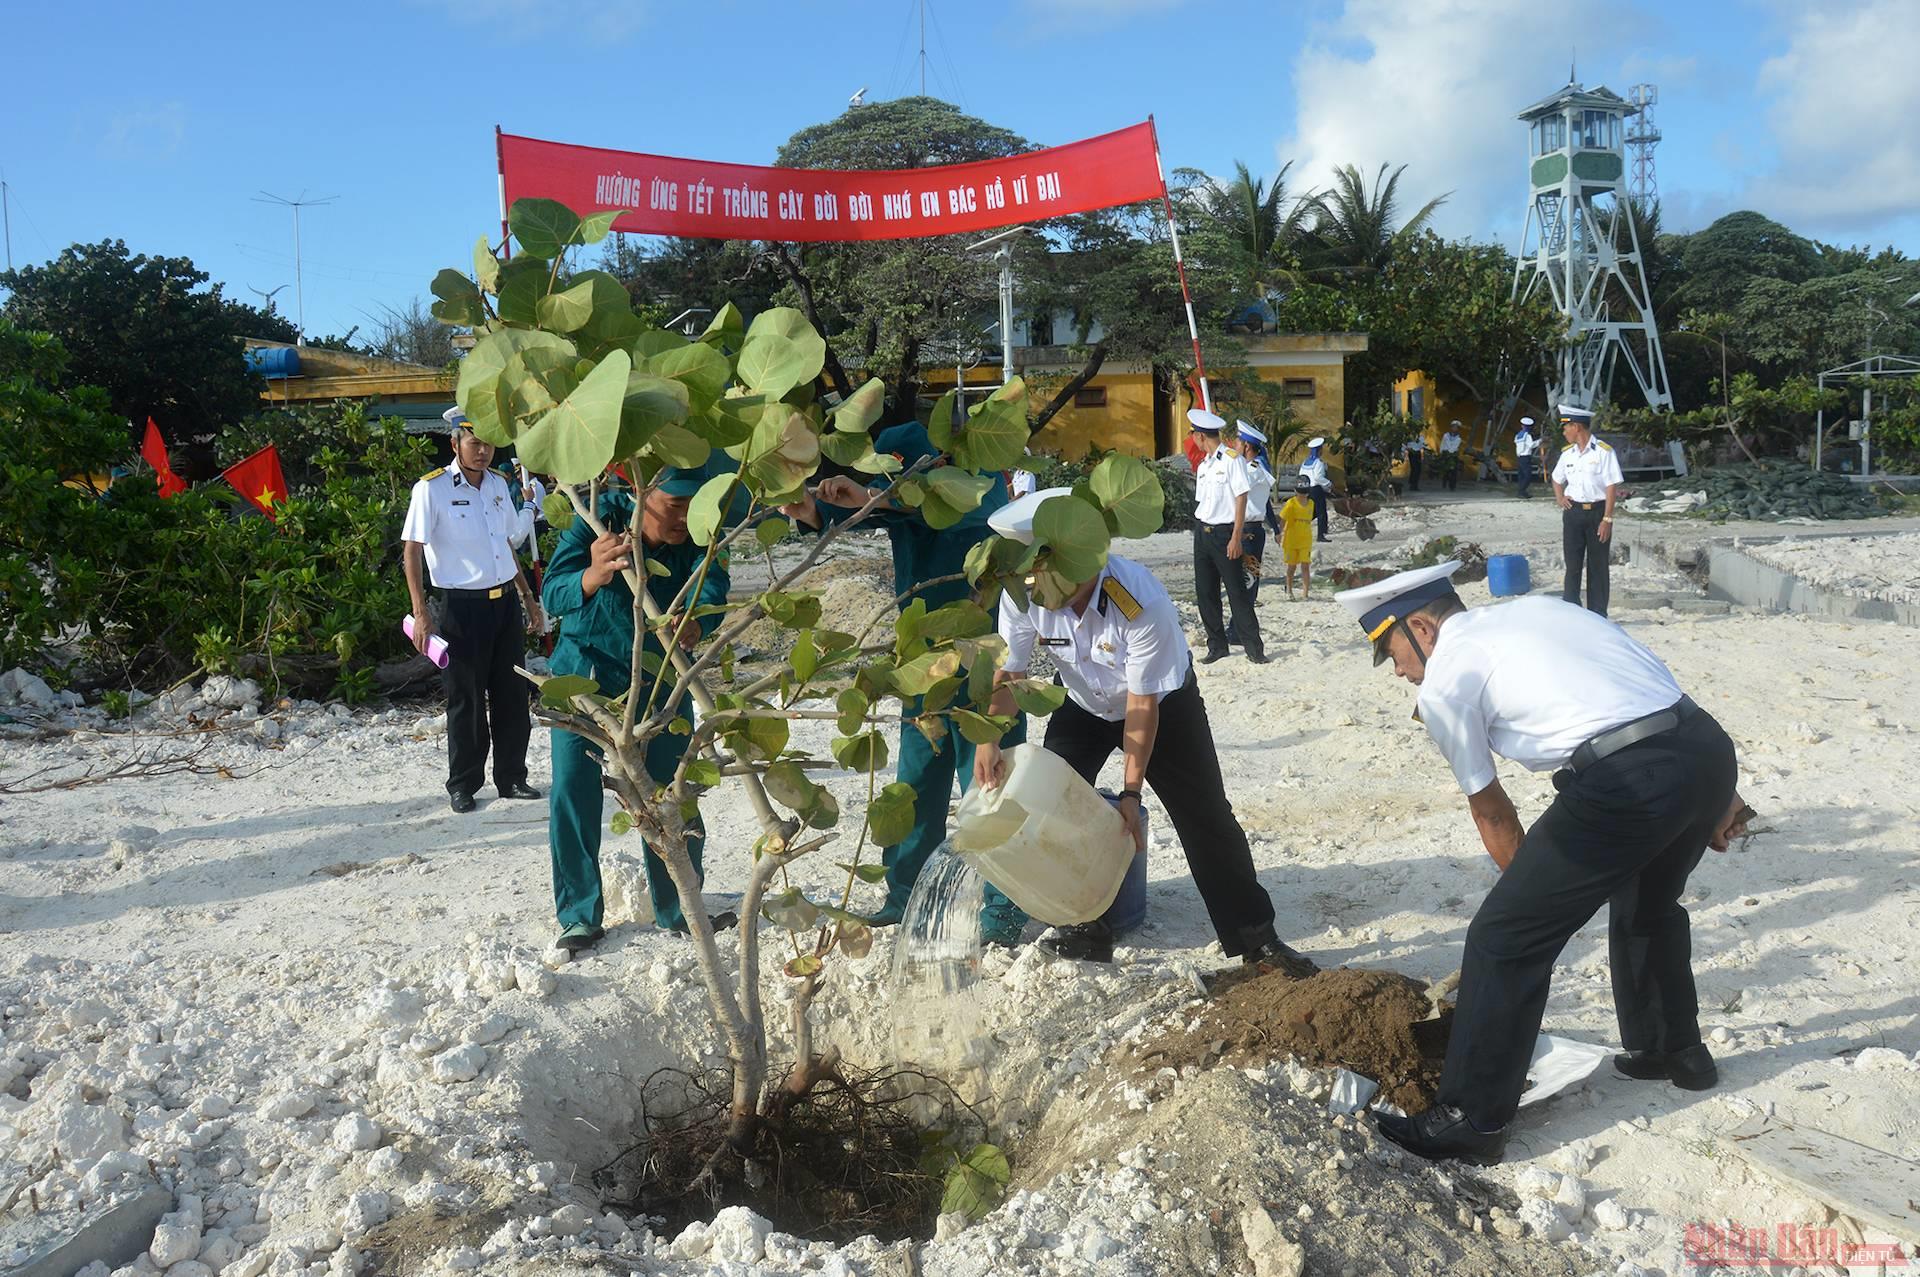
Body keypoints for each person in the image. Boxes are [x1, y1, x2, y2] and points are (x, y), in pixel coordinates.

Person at [1332, 561, 1750, 1164]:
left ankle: (1471, 1120)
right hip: (1705, 747)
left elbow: (1493, 812)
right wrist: (1718, 794)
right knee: (1649, 903)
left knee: (1504, 939)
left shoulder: (1447, 677)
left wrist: (1534, 901)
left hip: (1628, 780)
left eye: (1392, 652)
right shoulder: (1541, 610)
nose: (1398, 671)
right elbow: (1644, 687)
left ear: (1421, 627)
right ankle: (1673, 1051)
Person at [973, 488, 1318, 974]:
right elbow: (1009, 673)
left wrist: (1131, 793)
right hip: (1081, 702)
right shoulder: (1025, 594)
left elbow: (1142, 703)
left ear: (1087, 559)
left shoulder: (1139, 597)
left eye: (1066, 587)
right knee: (1055, 809)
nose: (1056, 599)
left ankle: (1257, 943)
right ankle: (1085, 926)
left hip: (1162, 702)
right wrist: (987, 736)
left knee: (1206, 819)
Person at [782, 421, 1029, 942]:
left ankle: (1002, 914)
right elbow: (877, 513)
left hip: (987, 662)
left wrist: (877, 496)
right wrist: (812, 510)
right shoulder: (899, 503)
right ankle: (906, 896)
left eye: (900, 478)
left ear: (937, 463)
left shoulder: (978, 480)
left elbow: (958, 516)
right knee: (916, 784)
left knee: (990, 785)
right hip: (920, 665)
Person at [540, 463, 734, 952]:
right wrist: (593, 572)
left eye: (694, 506)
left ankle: (679, 909)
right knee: (573, 793)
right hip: (583, 679)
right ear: (641, 494)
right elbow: (553, 594)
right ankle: (579, 916)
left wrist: (697, 623)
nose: (684, 517)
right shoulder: (596, 522)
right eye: (674, 505)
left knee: (674, 795)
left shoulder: (702, 532)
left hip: (659, 680)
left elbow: (711, 590)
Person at [401, 410, 543, 813]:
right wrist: (420, 611)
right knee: (465, 700)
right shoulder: (432, 489)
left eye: (488, 444)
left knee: (513, 695)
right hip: (461, 609)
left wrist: (529, 600)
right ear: (455, 444)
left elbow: (507, 547)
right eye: (474, 443)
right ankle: (463, 784)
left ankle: (512, 777)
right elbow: (412, 549)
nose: (482, 452)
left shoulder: (498, 486)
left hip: (504, 607)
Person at [1188, 410, 1268, 665]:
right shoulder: (1204, 465)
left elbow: (1241, 498)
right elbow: (1204, 502)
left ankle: (1254, 649)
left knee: (1237, 594)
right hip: (1203, 533)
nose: (1194, 441)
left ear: (1201, 436)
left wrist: (1236, 538)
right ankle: (1217, 646)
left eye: (1194, 436)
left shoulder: (1232, 460)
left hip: (1225, 534)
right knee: (1206, 593)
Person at [1550, 404, 1623, 617]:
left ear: (1577, 427)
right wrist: (1560, 498)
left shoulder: (1603, 452)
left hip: (1597, 512)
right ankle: (1571, 611)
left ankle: (1598, 613)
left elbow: (1611, 486)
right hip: (1574, 513)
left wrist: (1607, 519)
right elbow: (1556, 478)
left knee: (1597, 565)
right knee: (1572, 564)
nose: (1564, 432)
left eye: (1566, 427)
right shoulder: (1567, 454)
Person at [1234, 421, 1280, 603]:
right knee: (1240, 581)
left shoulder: (1253, 470)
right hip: (1244, 529)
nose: (1233, 446)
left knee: (1247, 581)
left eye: (1237, 442)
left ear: (1246, 446)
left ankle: (1240, 628)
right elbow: (1266, 503)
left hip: (1249, 531)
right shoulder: (1251, 469)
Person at [1279, 475, 1316, 600]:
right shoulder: (1291, 503)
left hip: (1305, 539)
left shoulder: (1311, 503)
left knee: (1305, 566)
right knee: (1292, 566)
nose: (1303, 495)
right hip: (1291, 539)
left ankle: (1305, 593)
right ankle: (1289, 590)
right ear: (1295, 491)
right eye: (1300, 492)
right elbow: (1282, 519)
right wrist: (1280, 534)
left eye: (1305, 492)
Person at [1297, 437, 1333, 543]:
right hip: (1316, 489)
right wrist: (1329, 484)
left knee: (1312, 512)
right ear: (1319, 450)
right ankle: (1321, 535)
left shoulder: (1305, 462)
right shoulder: (1319, 463)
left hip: (1306, 489)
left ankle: (1300, 528)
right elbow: (1318, 478)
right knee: (1321, 512)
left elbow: (1301, 475)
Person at [1512, 417, 1539, 499]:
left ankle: (1522, 492)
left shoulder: (1518, 435)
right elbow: (1531, 445)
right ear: (1530, 427)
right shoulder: (1527, 436)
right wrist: (1540, 441)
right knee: (1528, 475)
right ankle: (1521, 491)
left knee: (1521, 476)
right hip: (1526, 457)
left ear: (1522, 426)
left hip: (1519, 457)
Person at [1437, 422, 1463, 492]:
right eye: (1453, 427)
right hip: (1445, 454)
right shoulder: (1446, 435)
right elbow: (1442, 443)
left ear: (1458, 429)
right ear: (1451, 427)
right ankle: (1444, 482)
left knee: (1453, 471)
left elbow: (1455, 447)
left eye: (1456, 427)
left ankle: (1452, 486)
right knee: (1446, 470)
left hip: (1453, 455)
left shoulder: (1458, 438)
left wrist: (1450, 453)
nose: (1454, 428)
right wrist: (1442, 452)